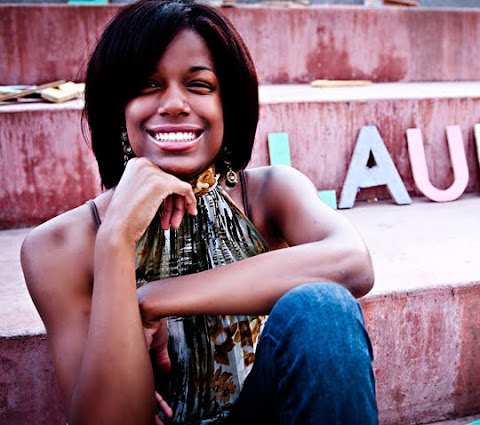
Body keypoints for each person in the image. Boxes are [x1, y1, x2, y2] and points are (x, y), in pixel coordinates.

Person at [20, 0, 378, 424]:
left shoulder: (269, 194)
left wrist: (149, 300)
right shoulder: (57, 247)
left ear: (228, 106)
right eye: (147, 85)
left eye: (199, 85)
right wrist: (116, 238)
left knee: (320, 307)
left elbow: (352, 263)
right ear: (117, 108)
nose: (174, 103)